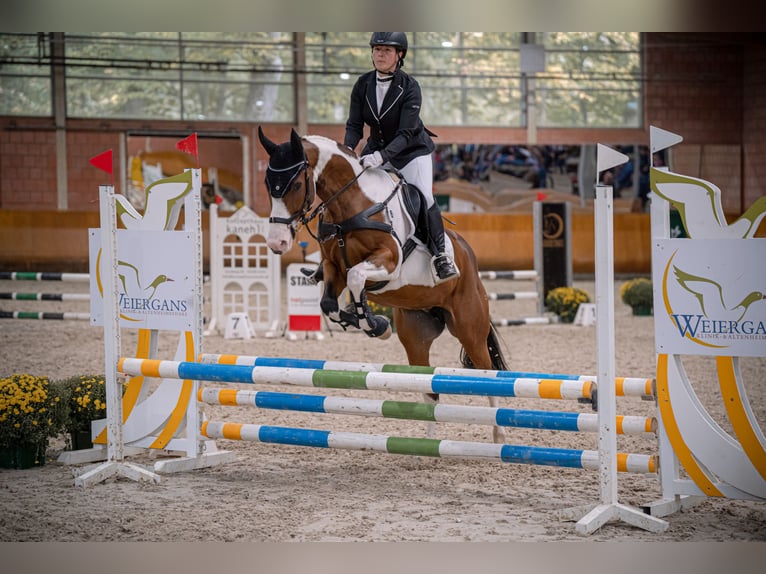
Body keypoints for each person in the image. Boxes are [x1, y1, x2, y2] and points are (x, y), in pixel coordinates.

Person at [343, 32, 459, 285]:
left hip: (411, 152)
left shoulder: (410, 87)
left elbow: (406, 133)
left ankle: (440, 254)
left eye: (387, 50)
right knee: (353, 190)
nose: (380, 55)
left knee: (424, 196)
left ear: (400, 55)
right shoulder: (362, 84)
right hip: (376, 149)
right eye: (376, 49)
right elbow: (354, 124)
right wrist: (349, 150)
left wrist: (381, 157)